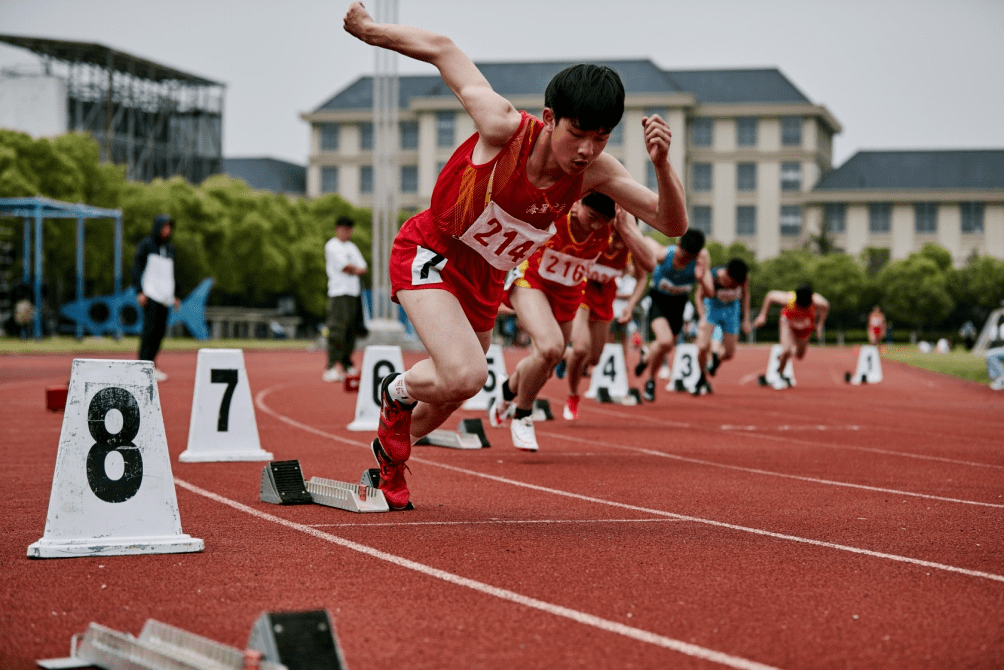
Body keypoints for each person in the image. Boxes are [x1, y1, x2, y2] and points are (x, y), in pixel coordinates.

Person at [343, 3, 688, 508]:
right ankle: (395, 393)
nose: (587, 150)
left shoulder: (597, 173)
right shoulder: (503, 126)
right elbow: (444, 50)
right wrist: (372, 32)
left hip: (487, 278)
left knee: (455, 391)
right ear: (550, 119)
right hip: (434, 250)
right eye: (578, 133)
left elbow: (672, 224)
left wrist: (661, 165)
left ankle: (389, 458)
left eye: (601, 136)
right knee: (467, 375)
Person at [633, 229, 712, 401]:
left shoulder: (700, 259)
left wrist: (701, 277)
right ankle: (651, 381)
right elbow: (644, 239)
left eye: (690, 258)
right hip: (658, 301)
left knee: (666, 346)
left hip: (679, 303)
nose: (686, 261)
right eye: (684, 257)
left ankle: (646, 356)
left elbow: (710, 292)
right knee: (665, 341)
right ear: (678, 246)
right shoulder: (663, 255)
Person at [753, 283, 829, 389]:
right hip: (788, 324)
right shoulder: (788, 299)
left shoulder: (818, 301)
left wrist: (820, 324)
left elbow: (825, 307)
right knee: (787, 350)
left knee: (799, 355)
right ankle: (780, 372)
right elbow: (770, 295)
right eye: (800, 306)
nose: (802, 308)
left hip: (805, 327)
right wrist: (763, 315)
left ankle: (783, 356)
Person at [132, 213, 180, 382]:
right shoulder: (146, 245)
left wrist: (174, 295)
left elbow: (170, 274)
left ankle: (152, 364)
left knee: (160, 332)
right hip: (150, 294)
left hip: (165, 297)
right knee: (149, 331)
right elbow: (137, 267)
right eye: (165, 227)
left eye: (170, 227)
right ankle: (142, 365)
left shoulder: (170, 248)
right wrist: (140, 291)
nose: (167, 231)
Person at [694, 258, 750, 395]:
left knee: (729, 353)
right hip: (712, 308)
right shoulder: (713, 276)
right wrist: (702, 318)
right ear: (728, 275)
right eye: (733, 283)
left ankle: (715, 361)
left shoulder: (742, 279)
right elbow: (698, 296)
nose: (734, 286)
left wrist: (746, 319)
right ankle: (702, 377)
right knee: (702, 346)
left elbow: (746, 296)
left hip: (731, 310)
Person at [322, 216, 368, 382]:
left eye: (348, 229)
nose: (346, 232)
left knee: (351, 330)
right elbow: (346, 267)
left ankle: (347, 363)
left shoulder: (352, 247)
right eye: (343, 228)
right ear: (337, 229)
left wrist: (353, 269)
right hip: (339, 292)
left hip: (353, 293)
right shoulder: (332, 245)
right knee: (337, 329)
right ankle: (331, 366)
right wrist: (353, 268)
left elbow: (363, 268)